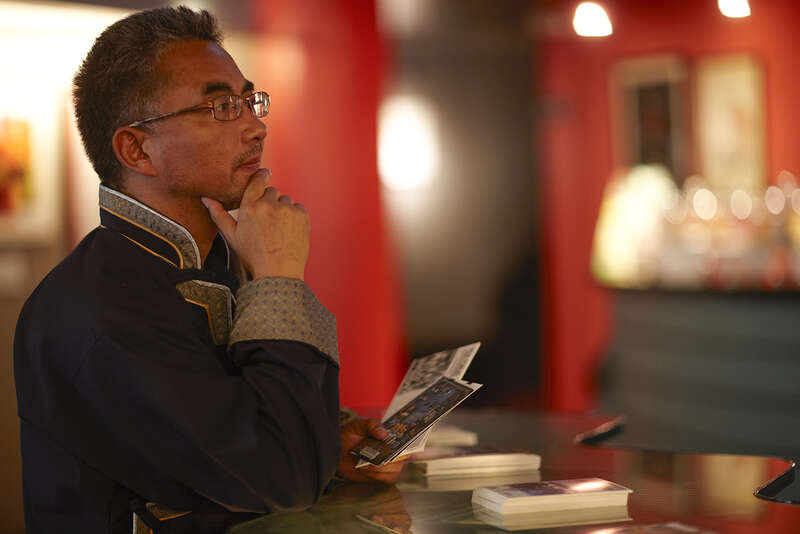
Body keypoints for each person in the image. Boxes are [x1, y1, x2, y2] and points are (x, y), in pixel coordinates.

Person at [13, 6, 403, 533]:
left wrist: (327, 445)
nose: (256, 127)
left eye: (249, 101)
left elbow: (242, 439)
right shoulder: (100, 311)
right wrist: (278, 281)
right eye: (221, 107)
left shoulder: (215, 263)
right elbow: (279, 477)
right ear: (137, 149)